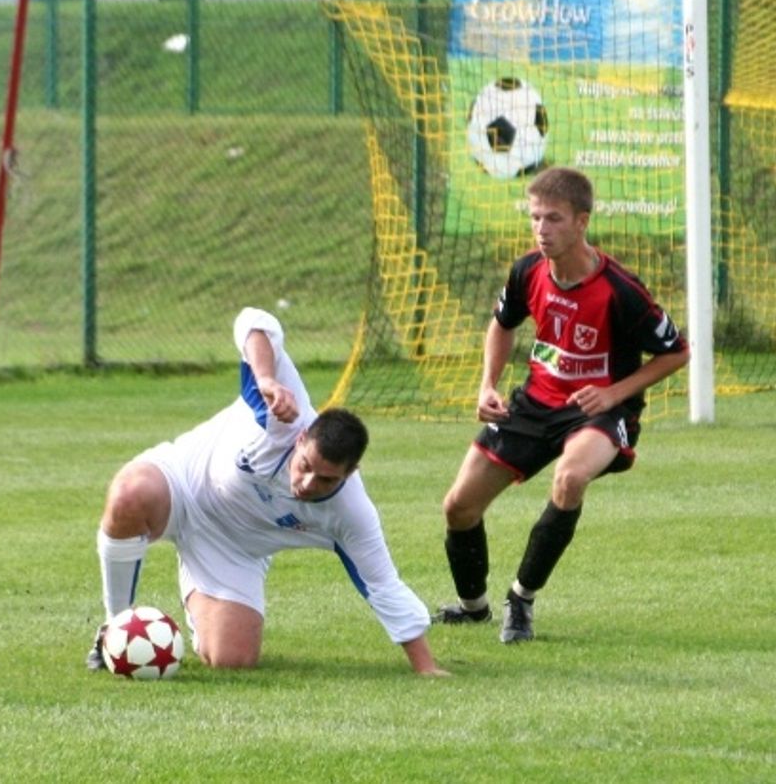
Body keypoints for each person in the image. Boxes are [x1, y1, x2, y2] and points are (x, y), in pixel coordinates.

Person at [86, 307, 447, 676]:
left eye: (326, 480)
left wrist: (425, 667)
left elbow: (381, 583)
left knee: (233, 661)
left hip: (232, 548)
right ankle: (113, 629)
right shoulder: (283, 415)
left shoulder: (350, 510)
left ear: (351, 472)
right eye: (306, 466)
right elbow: (254, 321)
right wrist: (266, 380)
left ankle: (199, 592)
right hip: (181, 485)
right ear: (302, 438)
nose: (308, 484)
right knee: (130, 493)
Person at [432, 166, 690, 643]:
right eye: (535, 218)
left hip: (599, 410)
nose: (541, 229)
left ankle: (521, 600)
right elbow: (503, 323)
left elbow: (677, 352)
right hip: (535, 403)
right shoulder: (528, 269)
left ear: (581, 222)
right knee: (458, 507)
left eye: (553, 219)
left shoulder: (621, 290)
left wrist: (614, 394)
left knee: (570, 479)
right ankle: (473, 608)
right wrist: (487, 384)